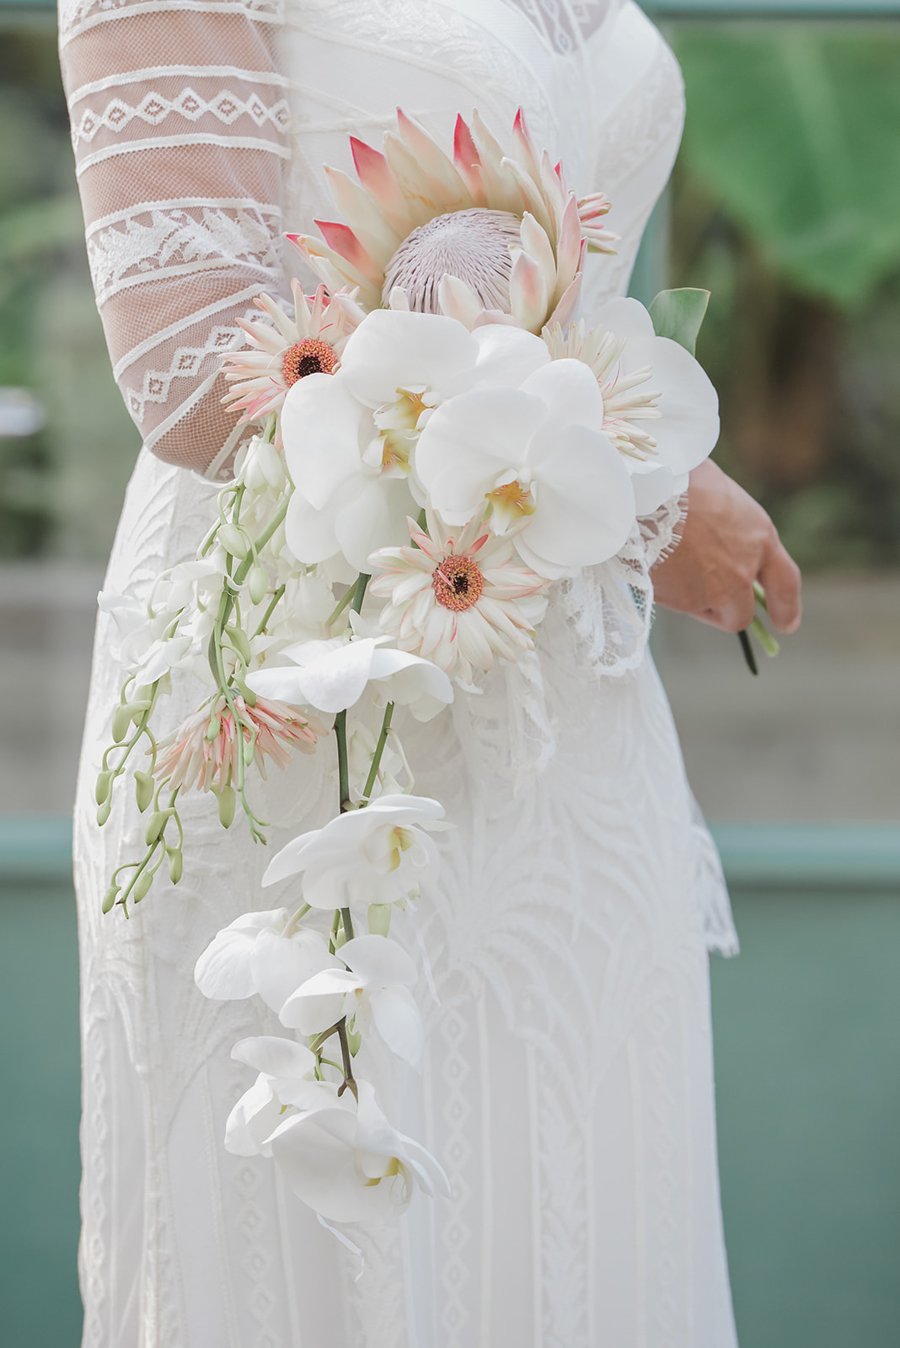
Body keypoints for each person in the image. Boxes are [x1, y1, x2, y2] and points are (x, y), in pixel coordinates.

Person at [59, 1, 800, 1344]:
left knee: (578, 1223)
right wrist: (648, 497)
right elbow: (193, 360)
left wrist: (627, 476)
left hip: (568, 733)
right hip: (303, 708)